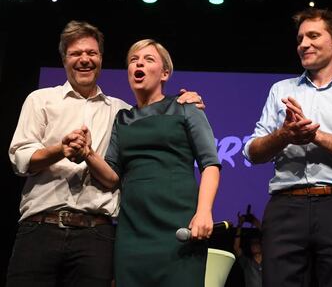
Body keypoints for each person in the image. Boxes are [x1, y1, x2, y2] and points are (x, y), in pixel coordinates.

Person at [7, 21, 204, 287]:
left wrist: (188, 98)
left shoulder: (122, 112)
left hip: (96, 234)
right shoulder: (40, 100)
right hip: (40, 227)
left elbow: (115, 176)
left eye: (92, 53)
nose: (84, 60)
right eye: (76, 53)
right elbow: (21, 159)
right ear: (64, 59)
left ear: (100, 58)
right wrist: (61, 150)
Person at [242, 8, 332, 287]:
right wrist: (284, 135)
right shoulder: (281, 90)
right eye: (299, 39)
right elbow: (252, 151)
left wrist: (315, 135)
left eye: (313, 36)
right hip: (285, 206)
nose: (303, 44)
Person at [71, 38, 221, 286]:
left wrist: (204, 211)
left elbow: (211, 164)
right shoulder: (123, 118)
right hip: (133, 232)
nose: (138, 63)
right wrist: (88, 154)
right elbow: (112, 177)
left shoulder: (186, 108)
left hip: (178, 226)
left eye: (148, 59)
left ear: (165, 73)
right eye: (133, 60)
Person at [233, 211, 262, 287]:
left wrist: (254, 221)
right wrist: (239, 225)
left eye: (256, 243)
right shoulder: (247, 263)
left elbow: (268, 235)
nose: (254, 245)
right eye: (252, 243)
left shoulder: (268, 262)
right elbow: (236, 248)